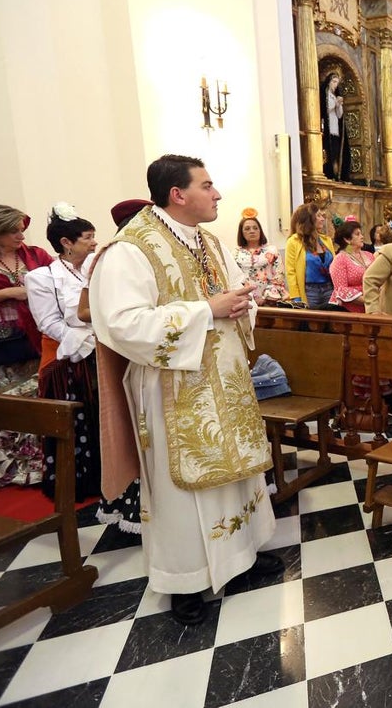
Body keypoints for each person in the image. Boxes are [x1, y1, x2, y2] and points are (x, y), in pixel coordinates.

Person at [90, 154, 281, 626]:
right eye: (208, 185)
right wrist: (206, 311)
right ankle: (185, 581)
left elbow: (233, 292)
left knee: (236, 476)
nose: (217, 194)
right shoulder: (131, 249)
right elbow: (120, 324)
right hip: (172, 391)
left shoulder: (209, 241)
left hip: (227, 385)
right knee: (181, 490)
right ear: (178, 194)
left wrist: (240, 304)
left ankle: (241, 561)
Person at [25, 204, 108, 510]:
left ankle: (107, 476)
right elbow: (47, 321)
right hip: (70, 359)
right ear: (66, 242)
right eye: (88, 237)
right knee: (77, 422)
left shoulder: (96, 269)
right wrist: (83, 341)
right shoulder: (41, 277)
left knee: (104, 418)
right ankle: (80, 483)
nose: (94, 242)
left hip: (102, 350)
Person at [0, 205, 53, 488]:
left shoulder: (35, 255)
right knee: (7, 408)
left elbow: (58, 281)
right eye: (12, 230)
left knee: (38, 400)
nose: (20, 234)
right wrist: (7, 293)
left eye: (21, 228)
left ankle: (36, 467)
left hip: (37, 336)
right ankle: (7, 470)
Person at [285, 202, 335, 308]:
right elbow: (291, 272)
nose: (322, 219)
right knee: (312, 323)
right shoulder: (293, 241)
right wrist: (296, 297)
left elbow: (335, 266)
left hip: (329, 289)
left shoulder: (327, 240)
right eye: (318, 216)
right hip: (309, 291)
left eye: (322, 216)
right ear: (309, 219)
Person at [234, 210, 287, 305]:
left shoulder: (272, 250)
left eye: (255, 228)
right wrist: (247, 297)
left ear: (260, 231)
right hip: (245, 301)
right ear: (241, 232)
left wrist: (265, 297)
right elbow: (235, 278)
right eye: (247, 229)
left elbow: (279, 275)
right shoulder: (235, 254)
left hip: (271, 300)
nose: (252, 231)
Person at [328, 218, 375, 312]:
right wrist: (369, 301)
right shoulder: (340, 259)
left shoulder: (369, 255)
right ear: (347, 239)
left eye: (361, 233)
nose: (362, 236)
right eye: (357, 234)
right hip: (349, 310)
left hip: (373, 305)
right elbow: (341, 290)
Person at [321, 72, 350, 181]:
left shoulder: (334, 96)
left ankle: (337, 173)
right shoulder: (325, 95)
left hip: (335, 129)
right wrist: (335, 104)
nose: (335, 85)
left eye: (337, 82)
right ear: (329, 82)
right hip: (328, 128)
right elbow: (325, 108)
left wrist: (339, 105)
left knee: (337, 153)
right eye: (334, 82)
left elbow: (339, 115)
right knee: (330, 152)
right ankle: (329, 173)